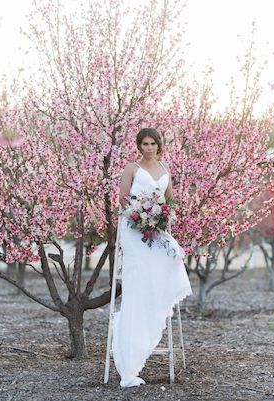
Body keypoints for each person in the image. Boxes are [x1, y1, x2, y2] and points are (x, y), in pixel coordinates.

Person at [112, 128, 193, 388]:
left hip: (155, 230)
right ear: (139, 146)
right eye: (144, 143)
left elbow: (169, 202)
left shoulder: (165, 168)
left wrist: (157, 216)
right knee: (140, 282)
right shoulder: (131, 168)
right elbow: (123, 200)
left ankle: (160, 302)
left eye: (152, 143)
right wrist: (140, 214)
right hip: (134, 231)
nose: (148, 147)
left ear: (159, 145)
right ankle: (132, 354)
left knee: (173, 257)